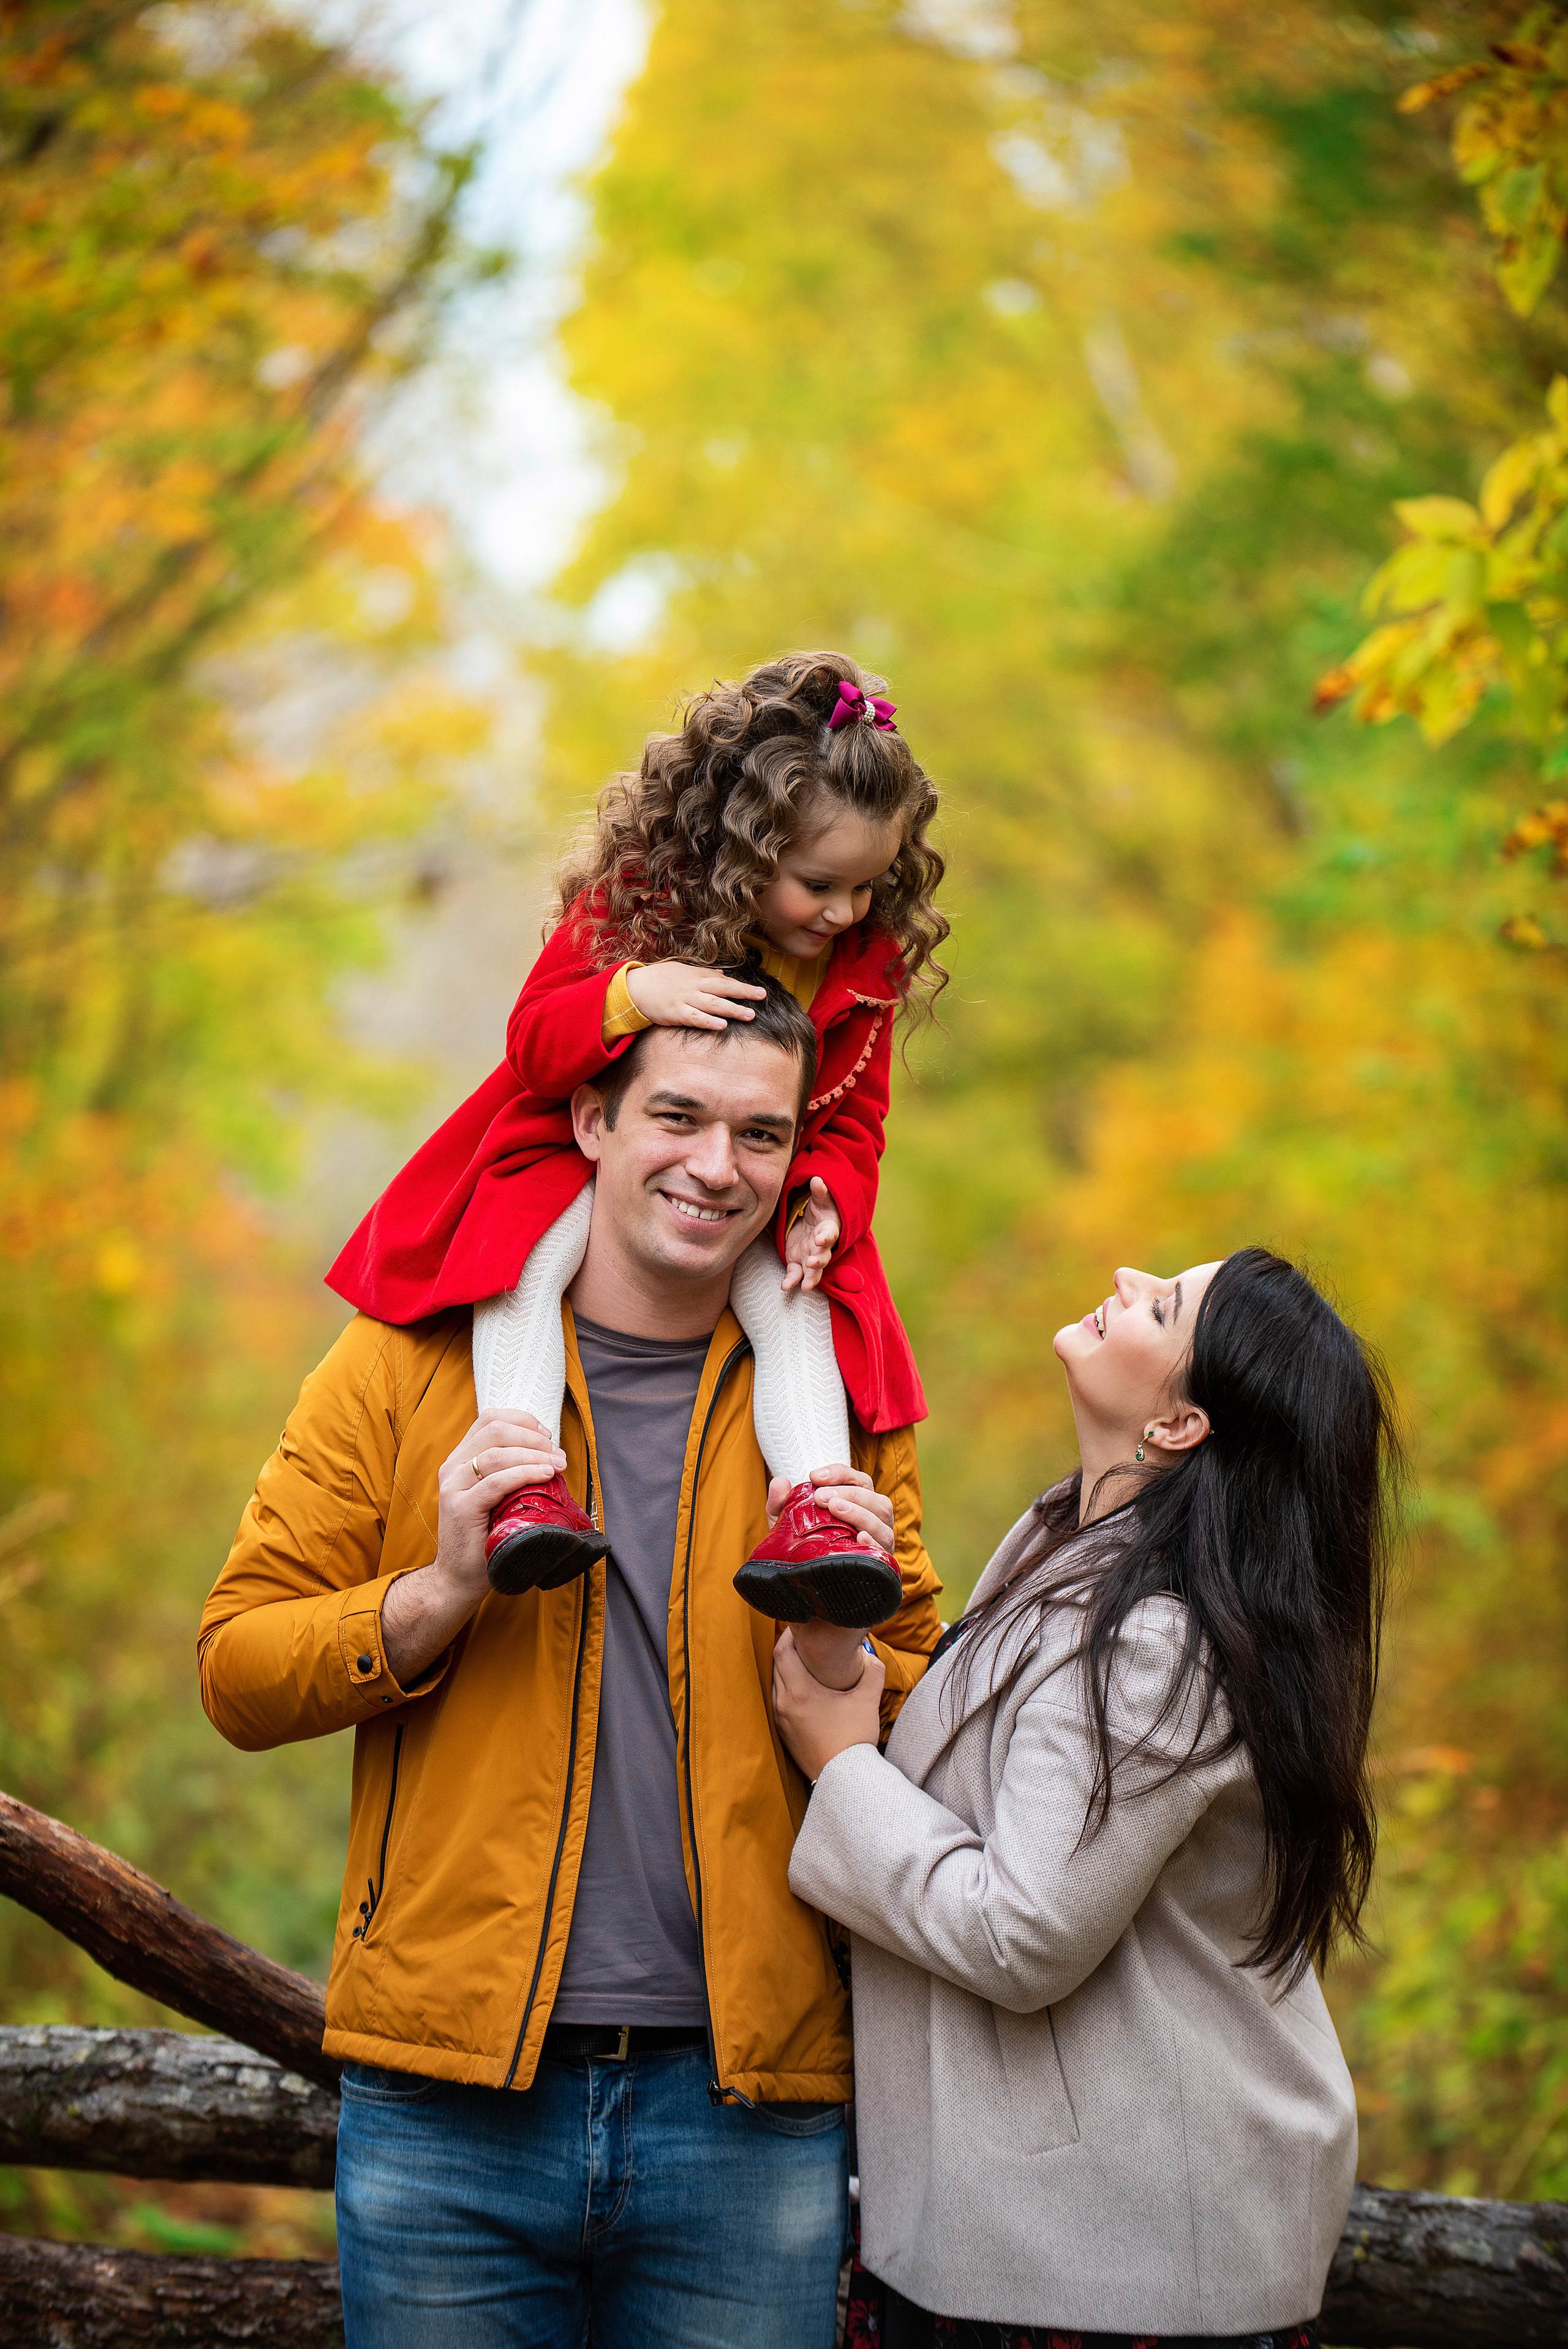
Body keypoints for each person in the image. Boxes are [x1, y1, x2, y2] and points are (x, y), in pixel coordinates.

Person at [198, 973, 943, 2349]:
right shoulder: (404, 1363)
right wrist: (438, 1592)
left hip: (751, 2105)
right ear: (593, 1119)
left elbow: (930, 1720)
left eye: (761, 1135)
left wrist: (842, 1654)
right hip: (450, 2101)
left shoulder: (837, 1395)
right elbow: (237, 1670)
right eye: (678, 1116)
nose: (717, 1167)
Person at [774, 1248, 1398, 2349]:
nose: (1125, 1275)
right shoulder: (1075, 1550)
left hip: (1109, 2256)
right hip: (1049, 2232)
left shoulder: (1156, 1637)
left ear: (1180, 1425)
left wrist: (842, 1766)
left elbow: (1024, 1931)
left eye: (1165, 1304)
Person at [326, 650, 947, 1629]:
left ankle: (820, 1518)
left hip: (758, 1179)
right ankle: (523, 1482)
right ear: (748, 846)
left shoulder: (859, 964)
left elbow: (857, 1117)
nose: (843, 912)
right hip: (575, 1145)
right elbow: (535, 1043)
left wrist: (830, 1197)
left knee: (799, 1301)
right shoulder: (643, 901)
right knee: (528, 1262)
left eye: (869, 887)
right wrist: (633, 993)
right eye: (819, 883)